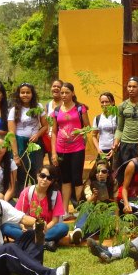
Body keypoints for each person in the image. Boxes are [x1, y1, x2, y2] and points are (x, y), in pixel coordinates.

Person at [49, 81, 90, 211]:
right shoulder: (56, 111)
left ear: (73, 93)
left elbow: (88, 127)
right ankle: (65, 210)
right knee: (65, 180)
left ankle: (80, 210)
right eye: (62, 93)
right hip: (61, 149)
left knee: (77, 179)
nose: (64, 95)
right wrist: (54, 153)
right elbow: (54, 132)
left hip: (77, 148)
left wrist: (79, 132)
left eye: (67, 92)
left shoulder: (80, 108)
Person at [7, 165, 68, 250]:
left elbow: (55, 220)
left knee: (63, 227)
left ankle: (30, 241)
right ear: (37, 176)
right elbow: (18, 215)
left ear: (52, 181)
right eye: (42, 176)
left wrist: (43, 230)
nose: (45, 179)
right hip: (28, 228)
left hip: (47, 229)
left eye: (49, 178)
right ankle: (43, 242)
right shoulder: (27, 192)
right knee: (6, 226)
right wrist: (22, 226)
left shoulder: (56, 194)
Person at [8, 82, 47, 195]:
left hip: (35, 143)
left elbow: (45, 126)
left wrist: (37, 135)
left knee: (37, 171)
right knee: (22, 174)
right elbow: (11, 134)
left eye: (28, 92)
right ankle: (22, 202)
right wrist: (15, 155)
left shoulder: (38, 107)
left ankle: (38, 198)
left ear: (32, 94)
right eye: (22, 92)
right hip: (20, 143)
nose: (25, 95)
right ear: (18, 94)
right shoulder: (14, 110)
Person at [71, 159, 118, 246]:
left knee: (108, 222)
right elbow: (87, 203)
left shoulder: (113, 183)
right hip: (90, 212)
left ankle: (81, 235)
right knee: (87, 208)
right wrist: (94, 196)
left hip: (105, 212)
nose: (100, 174)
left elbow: (115, 204)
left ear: (108, 173)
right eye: (98, 171)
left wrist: (116, 223)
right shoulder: (89, 183)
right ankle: (78, 229)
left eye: (103, 171)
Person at [113, 76, 138, 170]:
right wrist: (116, 142)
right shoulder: (122, 105)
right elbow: (119, 127)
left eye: (134, 87)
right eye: (129, 86)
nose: (131, 89)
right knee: (126, 170)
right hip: (125, 143)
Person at [92, 91, 119, 163]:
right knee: (100, 172)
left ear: (113, 102)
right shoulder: (97, 118)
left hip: (116, 150)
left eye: (107, 102)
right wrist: (98, 149)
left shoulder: (118, 117)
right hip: (102, 151)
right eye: (102, 102)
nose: (104, 104)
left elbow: (120, 134)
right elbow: (94, 135)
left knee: (114, 173)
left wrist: (114, 149)